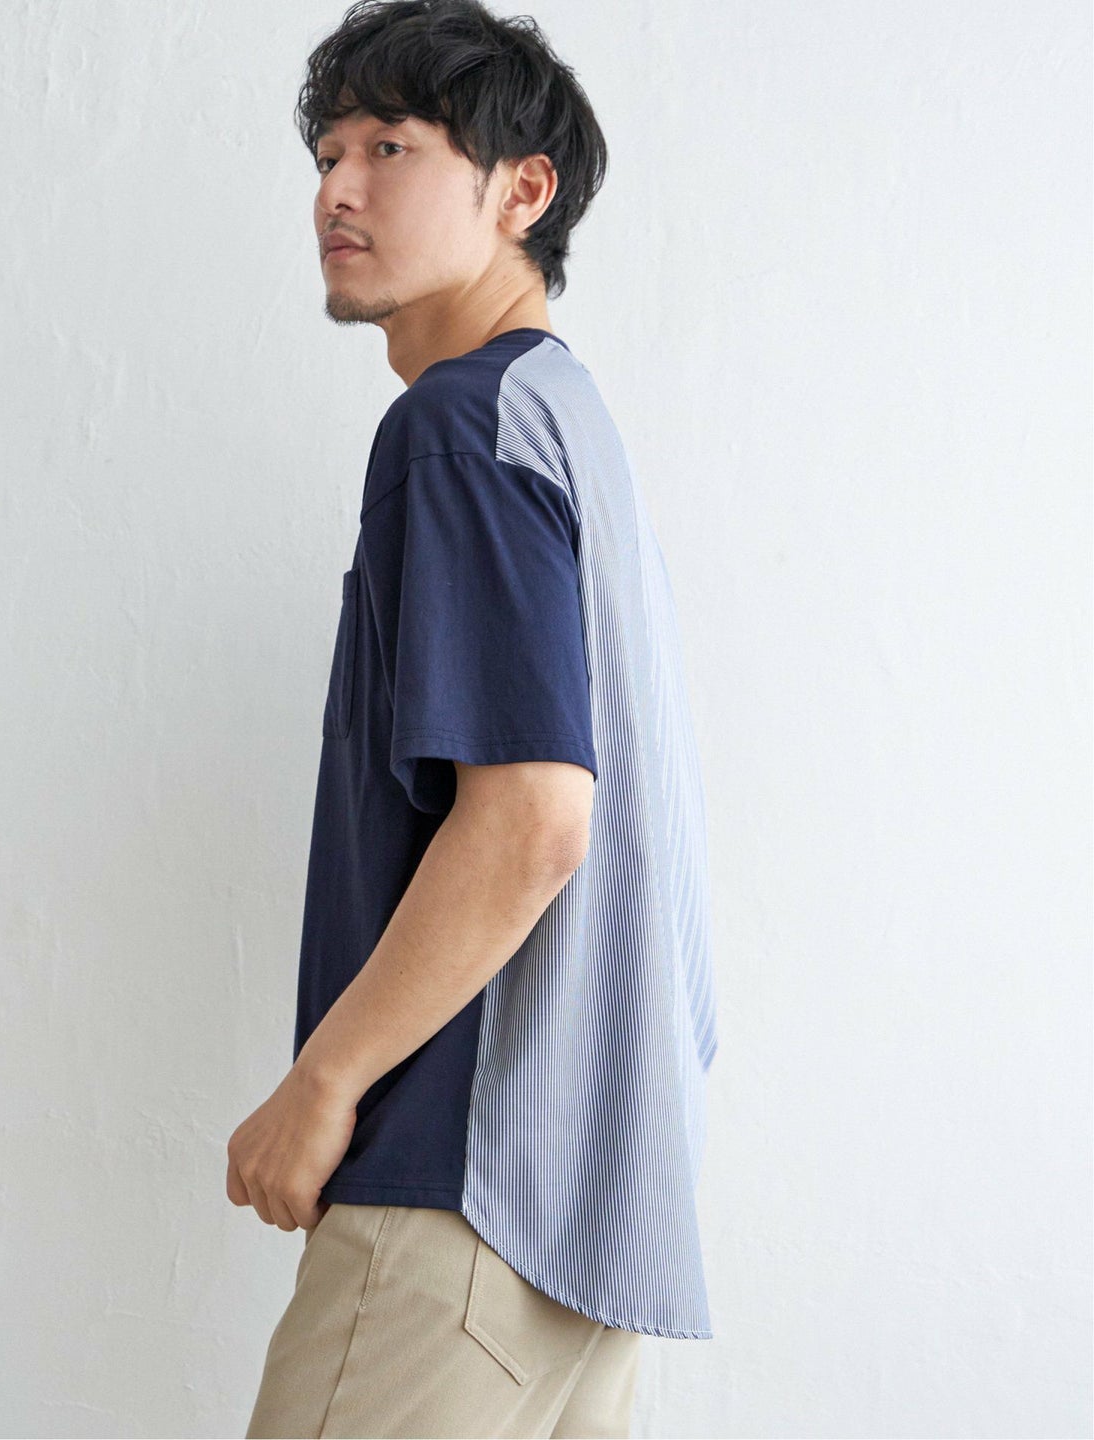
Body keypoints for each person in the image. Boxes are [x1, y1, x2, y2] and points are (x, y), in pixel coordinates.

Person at [228, 1, 720, 1434]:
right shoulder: (575, 430)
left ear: (523, 189)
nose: (337, 188)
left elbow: (532, 820)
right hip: (592, 1232)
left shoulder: (460, 427)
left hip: (455, 1202)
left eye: (390, 146)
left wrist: (323, 1086)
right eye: (327, 154)